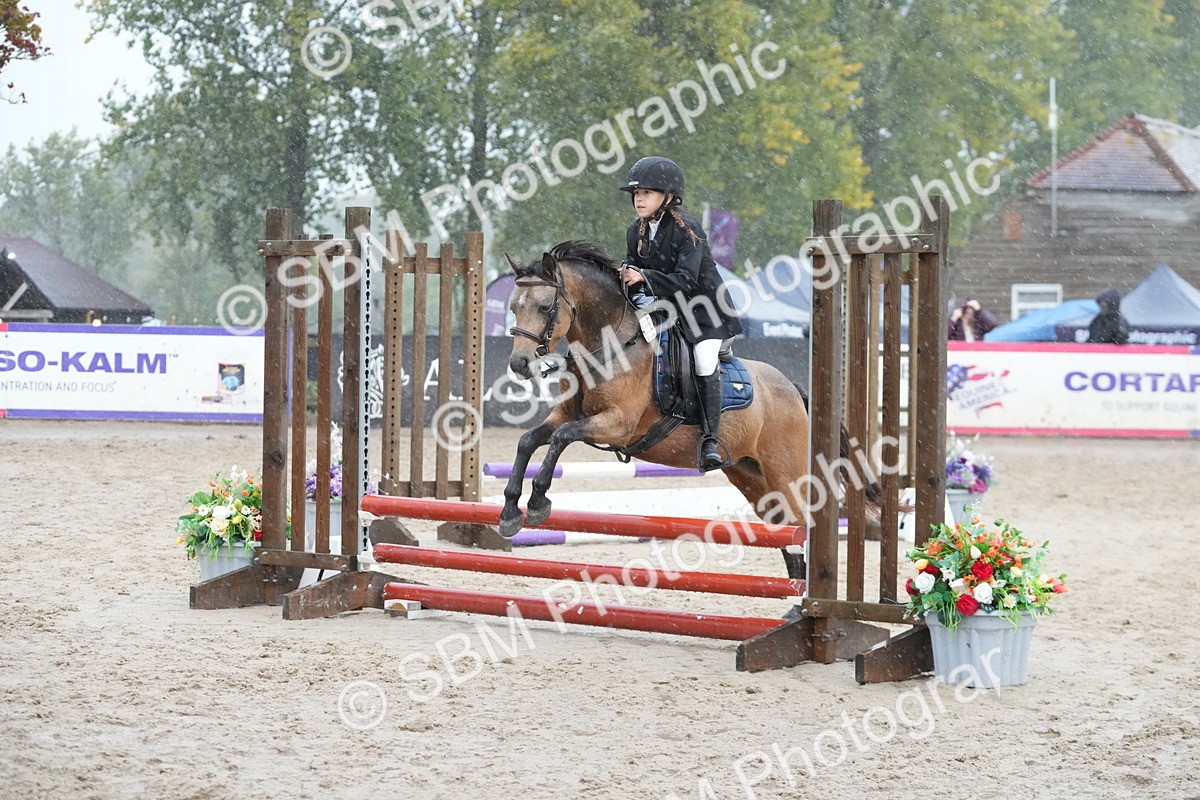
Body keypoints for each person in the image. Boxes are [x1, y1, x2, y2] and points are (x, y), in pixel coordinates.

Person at [617, 156, 743, 471]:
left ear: (669, 198)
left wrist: (643, 277)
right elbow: (634, 271)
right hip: (669, 307)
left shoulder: (687, 230)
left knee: (702, 360)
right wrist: (631, 287)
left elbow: (686, 280)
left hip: (705, 312)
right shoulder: (636, 231)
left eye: (647, 193)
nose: (639, 199)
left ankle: (712, 440)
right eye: (636, 194)